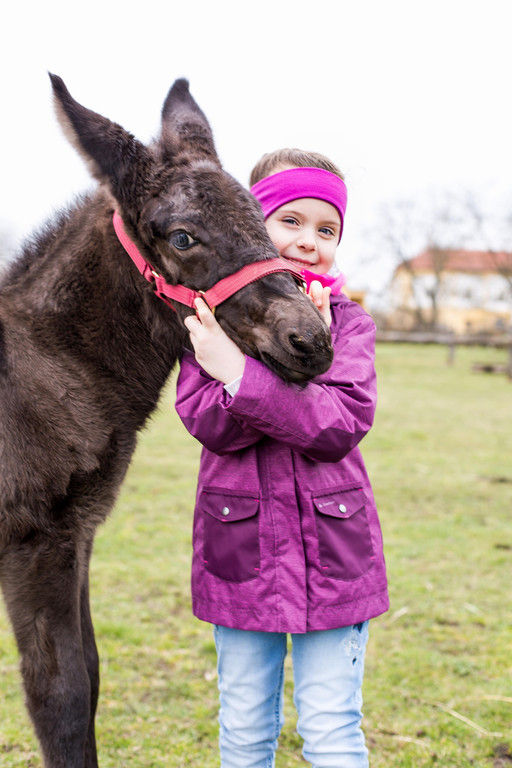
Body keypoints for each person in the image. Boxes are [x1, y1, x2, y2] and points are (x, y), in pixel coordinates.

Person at [174, 148, 388, 768]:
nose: (308, 241)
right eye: (289, 221)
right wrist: (244, 358)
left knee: (331, 728)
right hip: (241, 554)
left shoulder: (349, 325)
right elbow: (212, 426)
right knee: (243, 729)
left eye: (326, 229)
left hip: (334, 552)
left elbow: (338, 425)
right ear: (251, 227)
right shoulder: (207, 325)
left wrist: (243, 373)